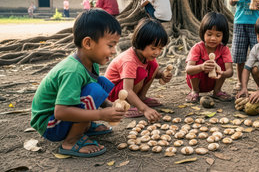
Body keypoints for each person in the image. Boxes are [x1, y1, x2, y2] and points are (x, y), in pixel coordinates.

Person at [30, 9, 124, 157]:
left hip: (60, 117)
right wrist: (100, 114)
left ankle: (85, 125)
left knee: (102, 83)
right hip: (50, 124)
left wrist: (109, 106)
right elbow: (60, 111)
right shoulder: (72, 71)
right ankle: (72, 141)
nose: (113, 51)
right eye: (110, 45)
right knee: (95, 89)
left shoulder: (90, 63)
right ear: (88, 43)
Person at [105, 18, 171, 122]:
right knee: (140, 72)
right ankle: (124, 105)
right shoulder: (129, 61)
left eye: (160, 48)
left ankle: (141, 98)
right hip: (114, 94)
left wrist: (162, 75)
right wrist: (145, 109)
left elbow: (151, 72)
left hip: (125, 88)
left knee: (153, 65)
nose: (157, 52)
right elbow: (127, 90)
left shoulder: (144, 57)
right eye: (153, 48)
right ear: (141, 43)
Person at [185, 12, 233, 102]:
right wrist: (201, 67)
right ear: (203, 33)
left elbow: (230, 71)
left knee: (220, 62)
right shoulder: (197, 48)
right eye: (209, 34)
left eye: (218, 35)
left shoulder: (224, 50)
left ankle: (217, 91)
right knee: (198, 62)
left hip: (214, 81)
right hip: (197, 82)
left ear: (223, 36)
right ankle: (194, 91)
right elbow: (188, 69)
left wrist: (222, 73)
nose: (213, 38)